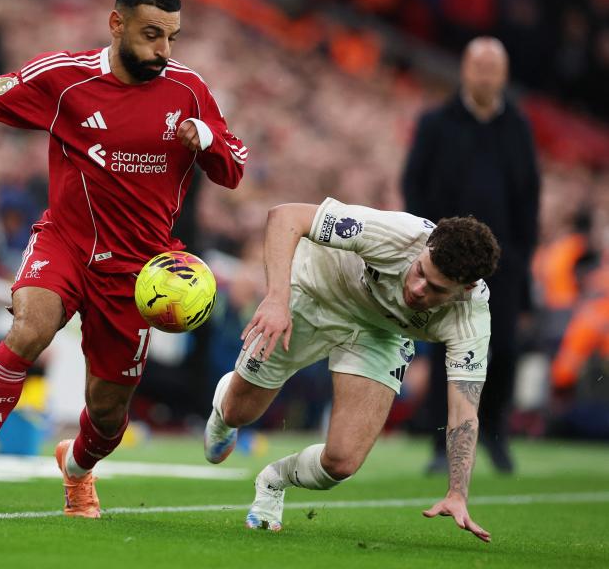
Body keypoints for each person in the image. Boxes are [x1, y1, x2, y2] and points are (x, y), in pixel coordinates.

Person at [0, 0, 247, 517]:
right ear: (116, 24)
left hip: (142, 272)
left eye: (172, 38)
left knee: (106, 417)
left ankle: (76, 469)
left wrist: (210, 140)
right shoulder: (65, 79)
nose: (163, 51)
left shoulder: (188, 89)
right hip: (67, 243)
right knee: (29, 330)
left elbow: (234, 168)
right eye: (151, 35)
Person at [203, 198, 499, 542]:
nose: (418, 290)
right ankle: (224, 411)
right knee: (240, 413)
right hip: (312, 295)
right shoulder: (394, 234)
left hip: (380, 334)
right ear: (425, 248)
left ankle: (272, 481)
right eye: (420, 272)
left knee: (341, 463)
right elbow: (285, 216)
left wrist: (457, 493)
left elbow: (464, 413)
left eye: (436, 290)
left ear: (464, 289)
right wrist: (275, 298)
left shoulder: (472, 319)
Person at [401, 36, 540, 473]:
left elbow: (529, 197)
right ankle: (443, 446)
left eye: (492, 67)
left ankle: (496, 434)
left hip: (505, 264)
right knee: (447, 349)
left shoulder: (518, 127)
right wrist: (428, 245)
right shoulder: (436, 122)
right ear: (464, 70)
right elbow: (413, 184)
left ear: (504, 74)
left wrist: (521, 256)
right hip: (446, 261)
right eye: (477, 66)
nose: (484, 75)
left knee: (506, 350)